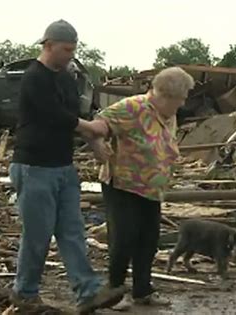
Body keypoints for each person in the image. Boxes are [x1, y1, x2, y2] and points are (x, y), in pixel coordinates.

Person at [9, 19, 122, 314]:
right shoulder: (34, 77)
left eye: (73, 49)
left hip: (63, 167)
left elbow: (73, 115)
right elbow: (57, 116)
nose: (71, 55)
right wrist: (95, 129)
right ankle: (25, 292)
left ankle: (88, 292)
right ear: (48, 45)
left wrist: (96, 143)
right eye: (66, 49)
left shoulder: (67, 79)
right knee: (38, 233)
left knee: (72, 231)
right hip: (34, 166)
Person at [87, 67, 195, 311]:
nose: (183, 103)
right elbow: (97, 125)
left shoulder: (168, 114)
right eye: (181, 98)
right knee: (124, 238)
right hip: (124, 184)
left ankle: (142, 291)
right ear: (167, 95)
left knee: (148, 240)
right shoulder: (133, 107)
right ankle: (115, 290)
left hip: (151, 188)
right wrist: (98, 146)